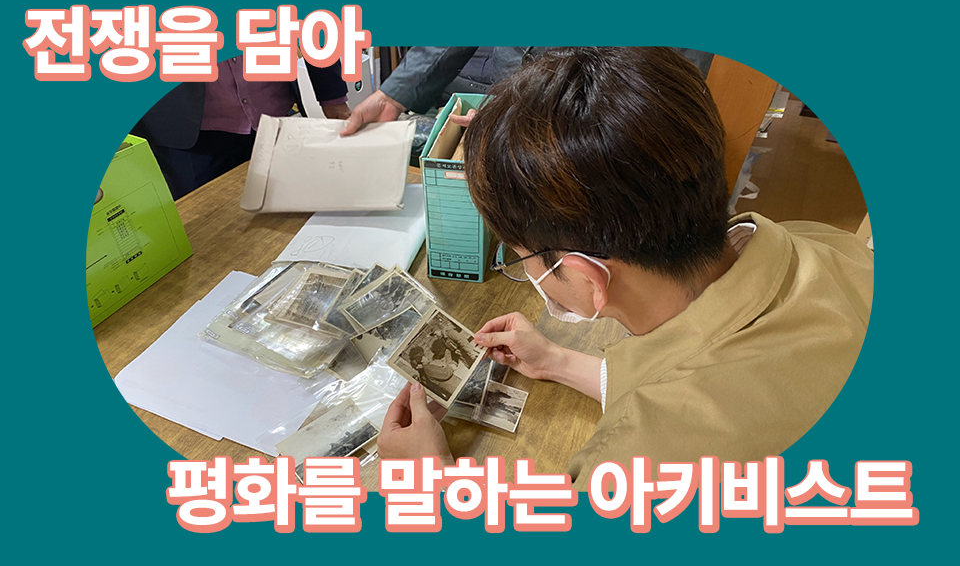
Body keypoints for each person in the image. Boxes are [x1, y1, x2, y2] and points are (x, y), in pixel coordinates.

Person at [376, 47, 873, 490]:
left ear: (589, 278)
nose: (525, 271)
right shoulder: (822, 242)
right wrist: (557, 361)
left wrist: (432, 480)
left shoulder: (638, 465)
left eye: (521, 258)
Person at [339, 47, 714, 136]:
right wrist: (394, 94)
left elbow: (661, 88)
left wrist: (543, 123)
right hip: (511, 118)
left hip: (597, 138)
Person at [132, 56, 350, 199]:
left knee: (293, 210)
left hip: (272, 116)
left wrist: (334, 99)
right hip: (184, 131)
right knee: (207, 229)